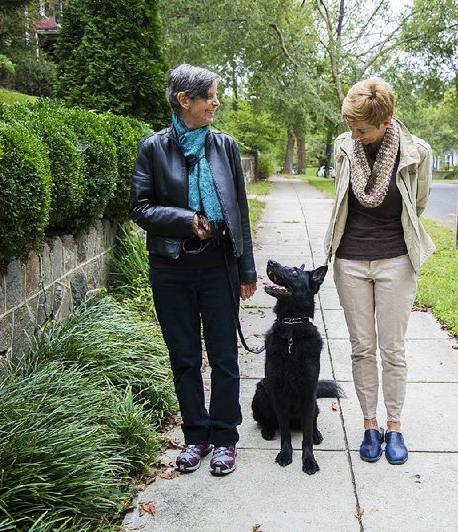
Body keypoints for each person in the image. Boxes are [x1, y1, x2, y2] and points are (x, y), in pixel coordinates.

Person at [129, 64, 257, 476]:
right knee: (183, 357)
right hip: (171, 268)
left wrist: (247, 270)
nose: (216, 102)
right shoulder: (153, 148)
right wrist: (187, 220)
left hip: (219, 265)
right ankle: (195, 437)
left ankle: (224, 439)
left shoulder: (225, 147)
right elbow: (140, 208)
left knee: (223, 358)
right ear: (185, 100)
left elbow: (239, 210)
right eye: (210, 96)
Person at [324, 77, 435, 465]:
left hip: (395, 259)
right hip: (350, 259)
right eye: (351, 126)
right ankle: (369, 424)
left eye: (362, 129)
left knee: (392, 349)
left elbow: (417, 205)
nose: (355, 134)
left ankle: (394, 426)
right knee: (362, 347)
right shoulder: (344, 147)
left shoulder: (416, 152)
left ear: (386, 122)